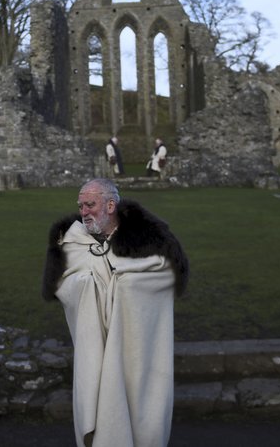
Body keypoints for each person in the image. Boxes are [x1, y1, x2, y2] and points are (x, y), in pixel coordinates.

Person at [42, 178, 188, 447]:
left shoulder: (150, 239)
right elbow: (64, 283)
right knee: (99, 393)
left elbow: (166, 274)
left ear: (111, 205)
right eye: (81, 205)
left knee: (137, 396)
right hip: (95, 341)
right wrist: (89, 284)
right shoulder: (73, 241)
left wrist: (125, 285)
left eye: (90, 204)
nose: (84, 211)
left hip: (135, 345)